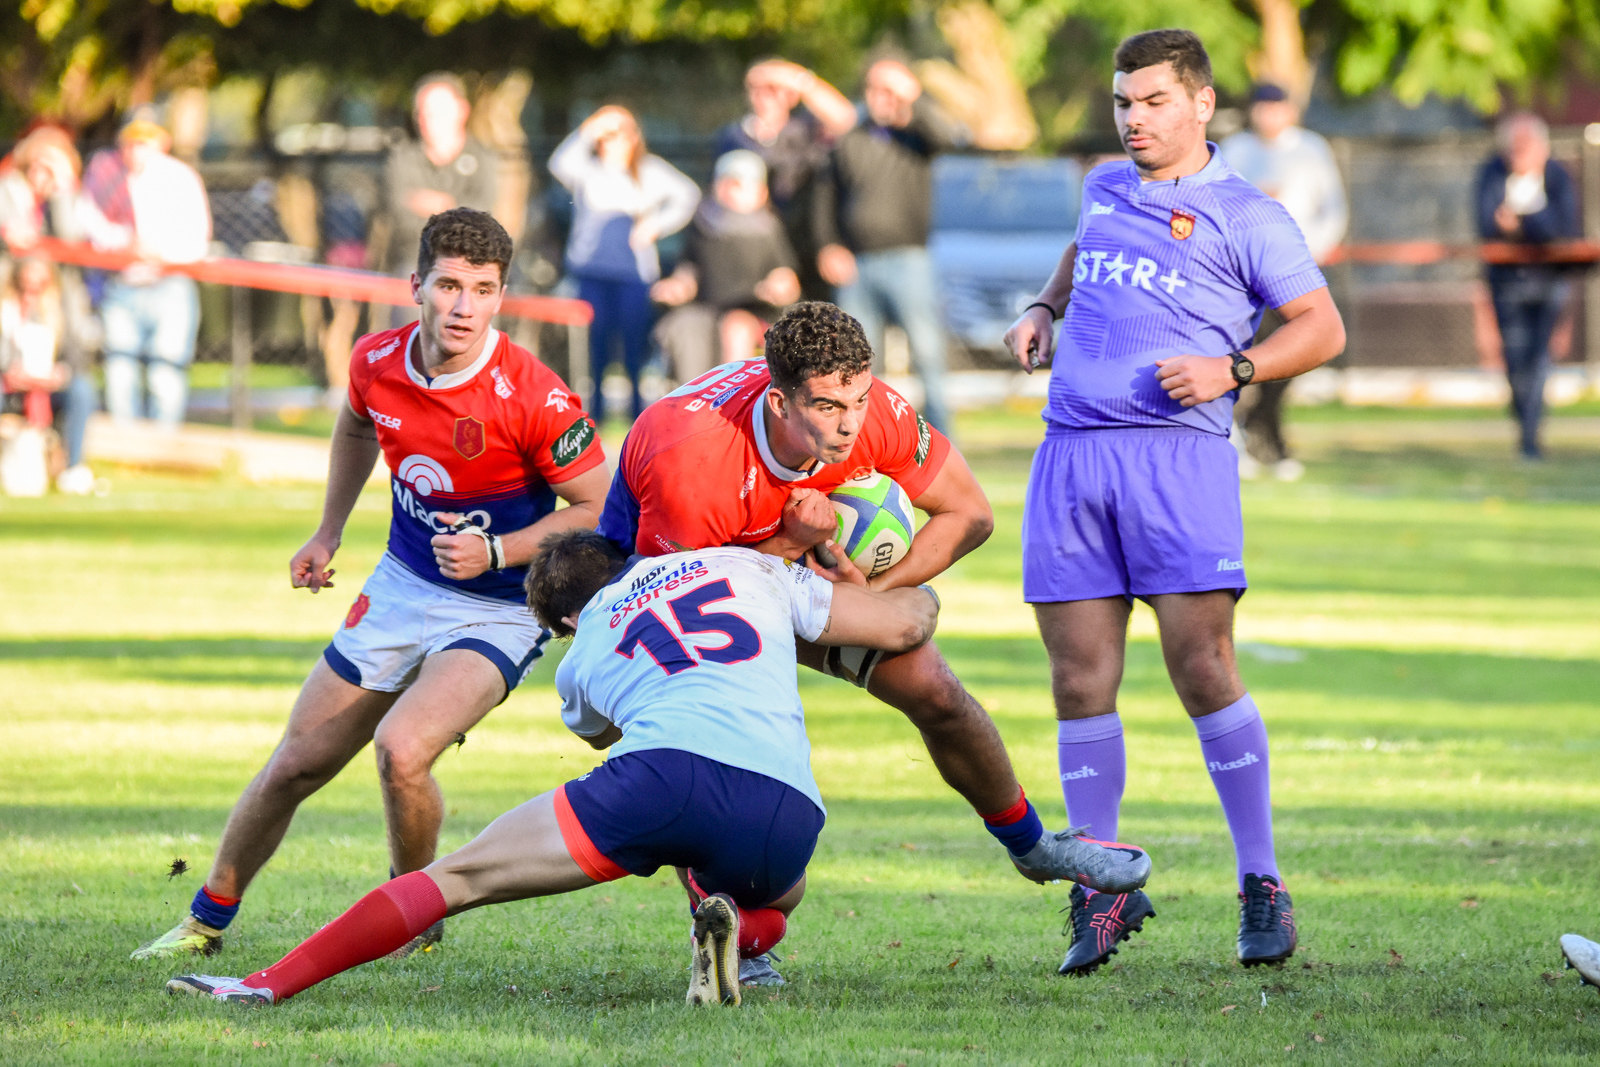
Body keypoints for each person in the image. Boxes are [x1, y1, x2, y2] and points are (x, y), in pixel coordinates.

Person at [599, 301, 1153, 985]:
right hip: (662, 585)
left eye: (859, 399)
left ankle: (1033, 846)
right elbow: (685, 601)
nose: (851, 421)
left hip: (789, 565)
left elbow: (969, 513)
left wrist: (879, 584)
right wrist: (789, 545)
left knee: (937, 691)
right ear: (779, 400)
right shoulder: (693, 459)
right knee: (713, 735)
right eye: (830, 406)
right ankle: (735, 932)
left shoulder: (874, 412)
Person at [165, 530, 942, 1008]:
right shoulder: (742, 565)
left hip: (662, 778)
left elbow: (606, 737)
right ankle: (741, 926)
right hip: (791, 813)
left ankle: (265, 983)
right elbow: (909, 619)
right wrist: (906, 571)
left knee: (459, 877)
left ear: (566, 620)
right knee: (780, 890)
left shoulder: (583, 654)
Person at [130, 209, 612, 961]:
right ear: (415, 284)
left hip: (498, 608)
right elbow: (358, 428)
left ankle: (412, 908)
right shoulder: (375, 360)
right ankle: (203, 920)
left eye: (482, 290)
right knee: (296, 761)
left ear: (501, 296)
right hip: (399, 585)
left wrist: (498, 549)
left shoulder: (534, 396)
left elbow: (599, 510)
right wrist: (328, 531)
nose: (462, 306)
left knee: (401, 750)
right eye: (449, 285)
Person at [1002, 29, 1346, 973]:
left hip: (1176, 461)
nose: (1134, 119)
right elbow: (1084, 251)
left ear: (1200, 103)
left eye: (1152, 101)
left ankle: (1261, 880)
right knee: (1079, 682)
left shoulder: (1251, 213)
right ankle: (1103, 888)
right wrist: (1043, 306)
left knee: (1203, 666)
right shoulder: (1105, 186)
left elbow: (1321, 326)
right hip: (1072, 453)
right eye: (1123, 103)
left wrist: (1231, 366)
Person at [813, 59, 966, 437]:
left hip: (908, 260)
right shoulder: (851, 137)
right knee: (857, 359)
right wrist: (828, 245)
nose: (881, 98)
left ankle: (941, 442)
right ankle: (866, 441)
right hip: (857, 265)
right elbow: (825, 197)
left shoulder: (916, 135)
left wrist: (912, 99)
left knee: (928, 353)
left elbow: (949, 138)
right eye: (875, 88)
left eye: (890, 90)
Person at [1220, 83, 1349, 482]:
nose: (1268, 117)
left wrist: (1313, 253)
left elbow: (1332, 209)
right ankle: (1238, 438)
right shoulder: (1237, 150)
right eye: (1261, 108)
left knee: (1289, 358)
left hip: (1296, 273)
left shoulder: (1311, 150)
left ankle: (1265, 432)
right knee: (1241, 355)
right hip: (1245, 275)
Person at [549, 105, 700, 421]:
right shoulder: (586, 170)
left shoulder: (649, 171)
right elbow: (559, 163)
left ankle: (636, 414)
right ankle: (596, 414)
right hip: (592, 271)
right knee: (597, 346)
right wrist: (592, 125)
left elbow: (689, 195)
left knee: (633, 347)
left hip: (634, 274)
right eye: (608, 134)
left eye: (621, 133)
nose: (614, 141)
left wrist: (656, 225)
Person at [80, 119, 210, 429]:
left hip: (170, 282)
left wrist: (160, 253)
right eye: (131, 142)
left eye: (145, 142)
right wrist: (125, 244)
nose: (137, 150)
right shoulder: (105, 172)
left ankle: (163, 439)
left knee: (166, 369)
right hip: (122, 281)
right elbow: (90, 221)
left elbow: (197, 238)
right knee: (119, 367)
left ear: (161, 143)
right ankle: (125, 440)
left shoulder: (180, 177)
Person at [1475, 112, 1579, 461]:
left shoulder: (1557, 176)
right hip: (1507, 282)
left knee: (1539, 357)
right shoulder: (1492, 173)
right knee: (1515, 355)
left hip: (1548, 281)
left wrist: (1520, 222)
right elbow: (1485, 222)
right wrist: (1528, 227)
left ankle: (1530, 435)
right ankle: (1525, 418)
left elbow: (1561, 229)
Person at [0, 125, 98, 493]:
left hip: (50, 308)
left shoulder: (60, 201)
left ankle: (73, 467)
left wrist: (63, 189)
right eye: (39, 166)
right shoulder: (7, 191)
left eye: (52, 167)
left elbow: (73, 237)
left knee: (81, 387)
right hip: (8, 308)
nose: (43, 175)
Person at [716, 58, 857, 302]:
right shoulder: (734, 136)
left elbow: (845, 118)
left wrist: (797, 79)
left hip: (809, 242)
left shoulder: (806, 128)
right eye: (758, 89)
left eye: (773, 90)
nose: (765, 97)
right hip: (758, 244)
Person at [651, 150, 801, 371]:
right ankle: (694, 398)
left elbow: (786, 277)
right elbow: (689, 271)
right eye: (725, 182)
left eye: (740, 184)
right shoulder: (703, 225)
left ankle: (730, 395)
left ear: (761, 192)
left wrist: (778, 287)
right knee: (683, 325)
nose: (731, 190)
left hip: (754, 311)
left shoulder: (768, 229)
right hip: (708, 308)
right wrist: (677, 287)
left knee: (735, 327)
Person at [0, 256, 95, 491]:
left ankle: (73, 468)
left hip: (48, 386)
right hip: (9, 384)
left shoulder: (61, 307)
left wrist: (60, 374)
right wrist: (8, 372)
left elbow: (76, 354)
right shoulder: (5, 307)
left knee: (82, 390)